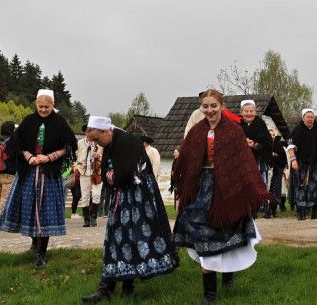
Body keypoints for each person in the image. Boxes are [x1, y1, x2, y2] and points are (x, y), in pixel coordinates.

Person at [173, 90, 271, 305]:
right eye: (205, 106)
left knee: (225, 228)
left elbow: (244, 162)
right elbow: (186, 160)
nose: (209, 110)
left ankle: (227, 273)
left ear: (222, 106)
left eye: (213, 106)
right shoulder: (197, 131)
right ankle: (210, 295)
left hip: (226, 188)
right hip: (200, 189)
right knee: (203, 233)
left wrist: (246, 191)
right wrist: (183, 189)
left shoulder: (233, 130)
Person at [81, 116, 179, 304]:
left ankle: (124, 287)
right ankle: (108, 289)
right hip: (124, 196)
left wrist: (111, 177)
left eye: (97, 139)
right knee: (116, 238)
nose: (96, 143)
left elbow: (123, 174)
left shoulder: (126, 142)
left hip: (137, 199)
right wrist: (111, 176)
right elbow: (109, 174)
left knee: (131, 238)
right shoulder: (111, 142)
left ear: (106, 131)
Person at [0, 89, 77, 269]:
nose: (43, 110)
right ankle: (34, 244)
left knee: (44, 212)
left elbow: (69, 146)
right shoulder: (28, 121)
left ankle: (42, 252)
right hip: (28, 173)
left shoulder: (60, 123)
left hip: (49, 174)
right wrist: (29, 157)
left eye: (47, 107)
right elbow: (16, 144)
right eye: (40, 106)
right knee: (29, 208)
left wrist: (49, 157)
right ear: (36, 104)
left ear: (53, 105)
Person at [287, 109, 317, 221]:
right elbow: (291, 146)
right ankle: (300, 212)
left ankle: (315, 212)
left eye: (312, 117)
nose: (310, 119)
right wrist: (294, 160)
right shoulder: (298, 130)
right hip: (302, 164)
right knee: (302, 187)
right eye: (308, 117)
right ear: (303, 118)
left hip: (316, 164)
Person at [239, 99, 273, 219]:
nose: (249, 113)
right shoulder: (237, 125)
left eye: (251, 111)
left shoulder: (260, 124)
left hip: (257, 161)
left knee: (257, 185)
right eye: (246, 111)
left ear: (255, 112)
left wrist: (255, 144)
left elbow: (269, 144)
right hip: (241, 162)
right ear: (242, 112)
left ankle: (259, 209)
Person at [76, 126, 104, 228]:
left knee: (96, 195)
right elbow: (78, 155)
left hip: (97, 173)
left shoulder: (99, 143)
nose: (89, 133)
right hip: (84, 172)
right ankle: (86, 220)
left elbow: (104, 157)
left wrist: (99, 156)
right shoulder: (80, 143)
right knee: (85, 197)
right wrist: (78, 167)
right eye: (87, 131)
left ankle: (94, 218)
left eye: (91, 131)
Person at [269, 128, 287, 216]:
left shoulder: (278, 145)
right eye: (270, 135)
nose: (271, 137)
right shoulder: (264, 145)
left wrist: (276, 156)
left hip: (276, 172)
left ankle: (273, 211)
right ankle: (266, 211)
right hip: (267, 171)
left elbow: (284, 159)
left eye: (273, 135)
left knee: (275, 192)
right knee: (266, 190)